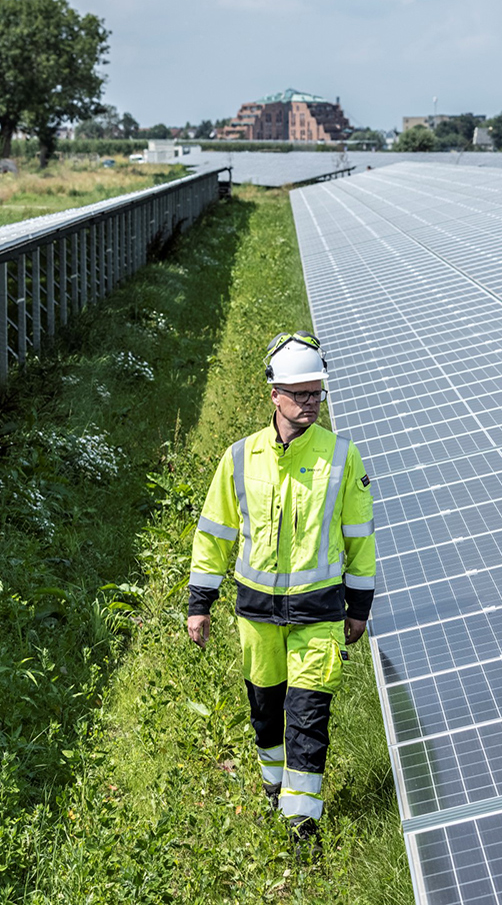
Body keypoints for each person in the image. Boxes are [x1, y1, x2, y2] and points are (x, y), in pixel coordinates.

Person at [186, 330, 376, 860]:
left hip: (319, 615)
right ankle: (274, 784)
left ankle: (301, 823)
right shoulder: (240, 457)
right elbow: (216, 531)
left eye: (317, 393)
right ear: (274, 394)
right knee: (266, 711)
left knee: (309, 714)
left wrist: (359, 608)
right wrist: (200, 601)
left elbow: (361, 539)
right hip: (257, 614)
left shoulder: (342, 457)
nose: (311, 403)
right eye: (301, 394)